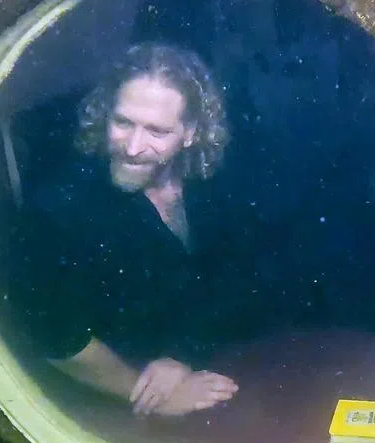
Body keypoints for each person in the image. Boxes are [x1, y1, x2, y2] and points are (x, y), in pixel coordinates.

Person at [15, 42, 249, 418]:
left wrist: (180, 356)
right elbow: (56, 338)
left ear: (190, 133)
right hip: (99, 407)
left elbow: (234, 278)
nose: (134, 147)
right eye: (123, 123)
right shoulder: (59, 209)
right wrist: (149, 396)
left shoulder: (213, 186)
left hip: (209, 369)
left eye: (157, 131)